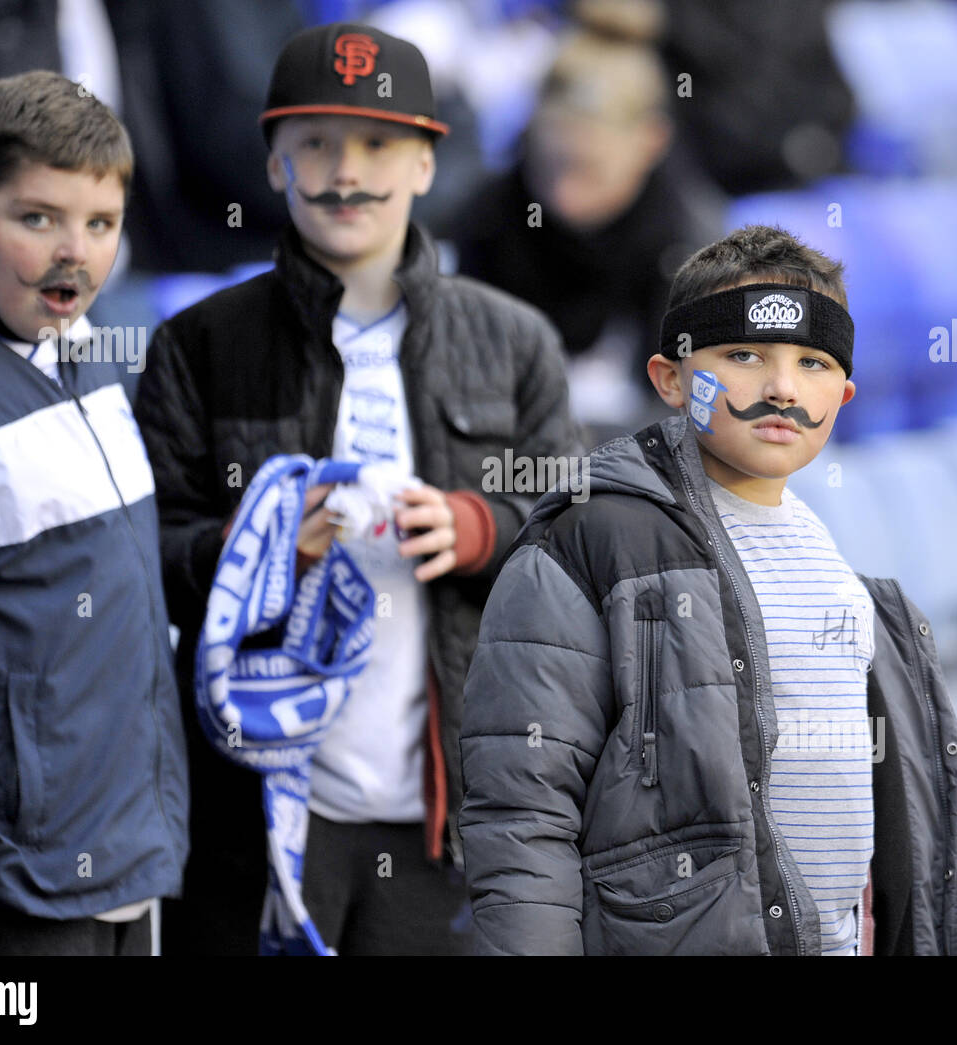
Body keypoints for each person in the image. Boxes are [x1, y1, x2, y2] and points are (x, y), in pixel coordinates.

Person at [134, 23, 580, 956]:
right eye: (316, 144)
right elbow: (143, 560)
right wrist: (251, 546)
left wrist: (479, 528)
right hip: (253, 810)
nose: (347, 171)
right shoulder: (198, 344)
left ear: (425, 163)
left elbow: (573, 537)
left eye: (379, 143)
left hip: (446, 811)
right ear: (273, 166)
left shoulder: (515, 341)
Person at [458, 224, 957, 955]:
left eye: (813, 362)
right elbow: (522, 805)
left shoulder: (838, 569)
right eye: (743, 355)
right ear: (669, 379)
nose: (782, 388)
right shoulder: (589, 538)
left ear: (846, 392)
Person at [0, 70, 189, 956]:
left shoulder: (83, 346)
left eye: (100, 224)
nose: (74, 253)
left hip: (124, 855)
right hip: (2, 883)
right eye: (37, 219)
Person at [450, 29, 724, 437]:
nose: (563, 196)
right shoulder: (492, 219)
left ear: (651, 142)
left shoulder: (691, 249)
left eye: (588, 171)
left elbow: (696, 416)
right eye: (549, 165)